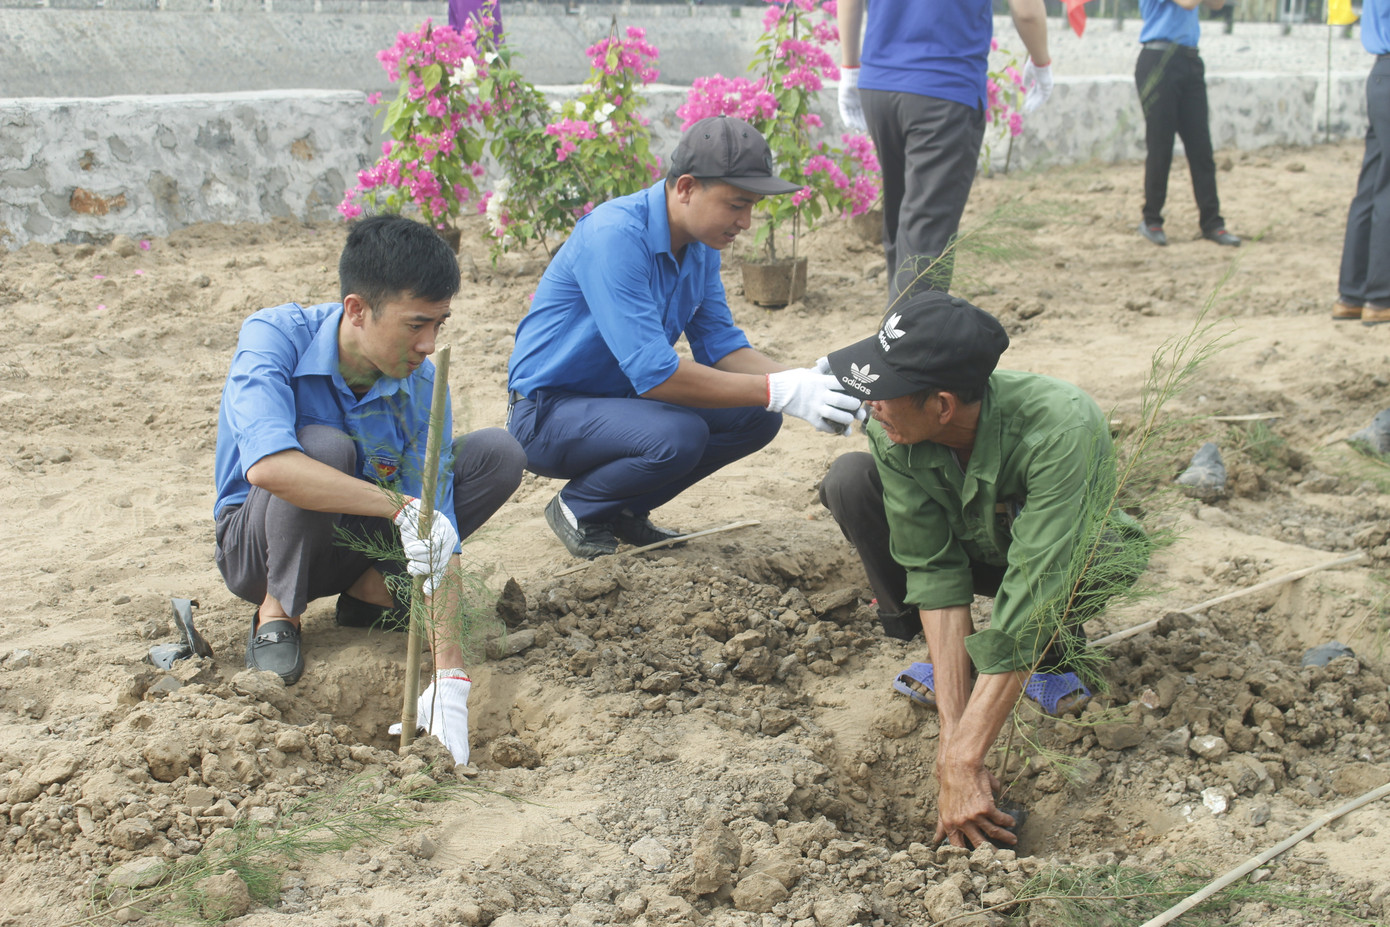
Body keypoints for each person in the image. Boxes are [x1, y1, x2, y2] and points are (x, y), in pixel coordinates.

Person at [817, 291, 1148, 849]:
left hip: (1048, 563)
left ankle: (1054, 654)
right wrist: (953, 744)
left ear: (943, 406)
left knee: (1111, 546)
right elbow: (933, 569)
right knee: (850, 480)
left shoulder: (1061, 426)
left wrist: (967, 759)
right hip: (972, 548)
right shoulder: (893, 427)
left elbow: (1038, 582)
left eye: (885, 389)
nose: (870, 402)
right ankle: (951, 666)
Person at [213, 215, 526, 764]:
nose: (428, 344)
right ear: (357, 310)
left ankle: (368, 594)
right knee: (322, 448)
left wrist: (449, 676)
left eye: (439, 324)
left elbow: (437, 523)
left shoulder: (420, 383)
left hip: (351, 540)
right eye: (415, 325)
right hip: (258, 548)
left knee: (497, 454)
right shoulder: (275, 338)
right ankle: (277, 614)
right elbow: (268, 468)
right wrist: (398, 505)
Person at [506, 116, 863, 560]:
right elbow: (655, 374)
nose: (746, 222)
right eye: (737, 205)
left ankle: (623, 509)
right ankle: (578, 506)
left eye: (752, 207)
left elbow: (722, 346)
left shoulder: (699, 245)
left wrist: (807, 381)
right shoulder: (615, 236)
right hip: (547, 414)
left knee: (756, 416)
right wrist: (780, 390)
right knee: (680, 433)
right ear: (687, 188)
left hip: (622, 404)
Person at [835, 0, 1054, 300]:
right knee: (924, 239)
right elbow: (1027, 11)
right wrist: (1041, 62)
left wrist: (849, 68)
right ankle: (910, 327)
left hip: (879, 86)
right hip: (943, 90)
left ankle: (898, 322)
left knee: (901, 220)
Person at [1133, 0, 1240, 248]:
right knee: (1161, 145)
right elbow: (1189, 3)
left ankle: (1212, 222)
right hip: (1158, 59)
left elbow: (1217, 4)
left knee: (1201, 147)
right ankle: (1151, 219)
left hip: (1190, 59)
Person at [1333, 0, 1390, 325]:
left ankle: (1352, 295)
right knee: (1383, 188)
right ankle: (1380, 297)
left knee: (1370, 188)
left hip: (1382, 74)